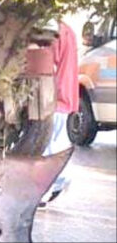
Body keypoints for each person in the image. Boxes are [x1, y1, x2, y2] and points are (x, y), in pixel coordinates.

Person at [41, 19, 78, 205]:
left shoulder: (52, 31)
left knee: (49, 144)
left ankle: (51, 185)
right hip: (64, 95)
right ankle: (58, 182)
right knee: (57, 141)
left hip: (54, 96)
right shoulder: (67, 30)